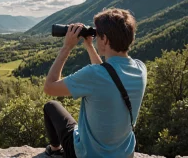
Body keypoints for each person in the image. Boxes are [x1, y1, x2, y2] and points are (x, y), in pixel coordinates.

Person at [43, 8, 147, 158]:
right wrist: (89, 46)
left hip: (88, 154)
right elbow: (108, 72)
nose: (96, 39)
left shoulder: (93, 74)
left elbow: (50, 87)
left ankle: (54, 150)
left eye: (98, 36)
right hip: (124, 153)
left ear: (104, 40)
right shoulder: (140, 68)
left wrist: (67, 47)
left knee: (51, 106)